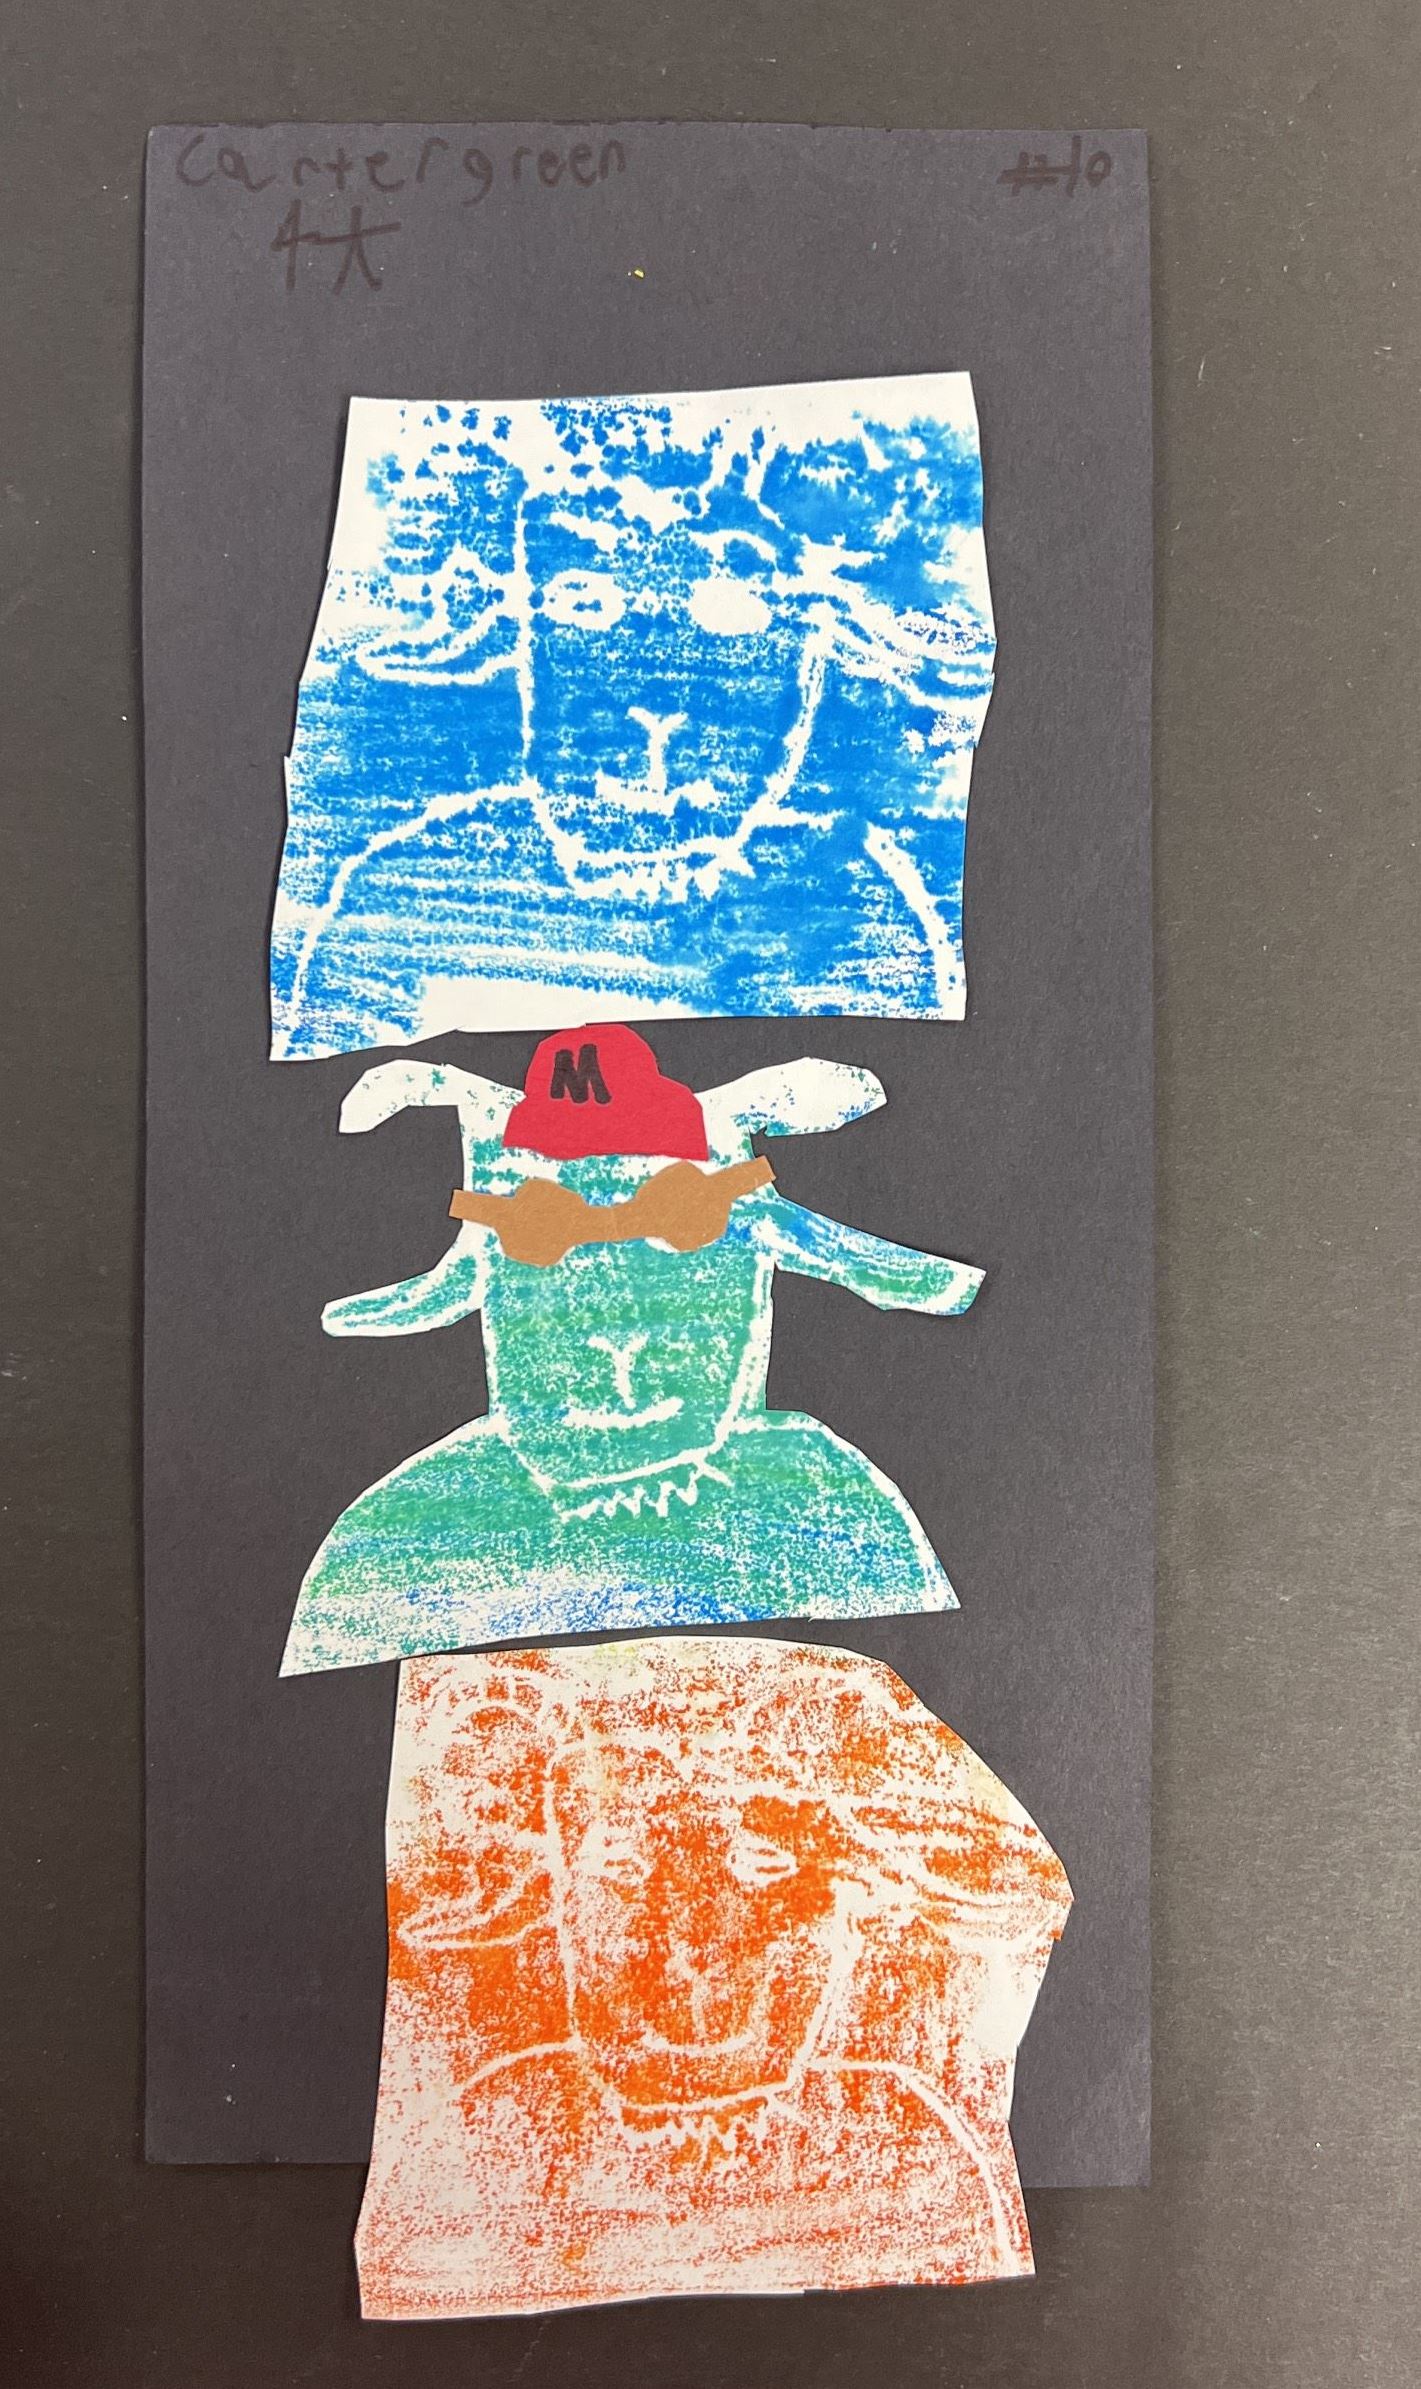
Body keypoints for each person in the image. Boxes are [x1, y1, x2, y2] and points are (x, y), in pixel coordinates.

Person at [270, 382, 995, 1057]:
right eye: (583, 604)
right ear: (523, 641)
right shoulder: (404, 902)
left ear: (811, 657)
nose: (654, 701)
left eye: (734, 610)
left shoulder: (861, 912)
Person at [355, 1637, 1073, 2317]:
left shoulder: (910, 2150)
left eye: (765, 1867)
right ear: (555, 1896)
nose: (691, 1951)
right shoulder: (471, 2149)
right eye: (623, 1868)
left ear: (854, 1900)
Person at [280, 1030, 985, 1672]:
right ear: (485, 1284)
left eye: (681, 1238)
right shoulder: (403, 1542)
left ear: (755, 1266)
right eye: (545, 1243)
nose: (617, 1336)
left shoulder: (828, 1511)